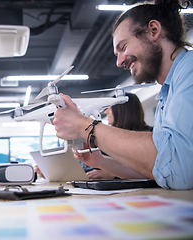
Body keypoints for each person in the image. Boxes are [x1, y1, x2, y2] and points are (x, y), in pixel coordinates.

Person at [54, 0, 193, 190]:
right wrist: (102, 161)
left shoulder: (190, 70)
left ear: (153, 30)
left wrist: (84, 126)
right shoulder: (166, 95)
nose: (119, 62)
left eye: (123, 47)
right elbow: (161, 169)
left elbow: (180, 169)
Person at [84, 93, 153, 180]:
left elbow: (154, 169)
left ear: (122, 110)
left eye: (110, 108)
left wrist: (113, 173)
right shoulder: (106, 139)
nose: (106, 112)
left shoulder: (152, 136)